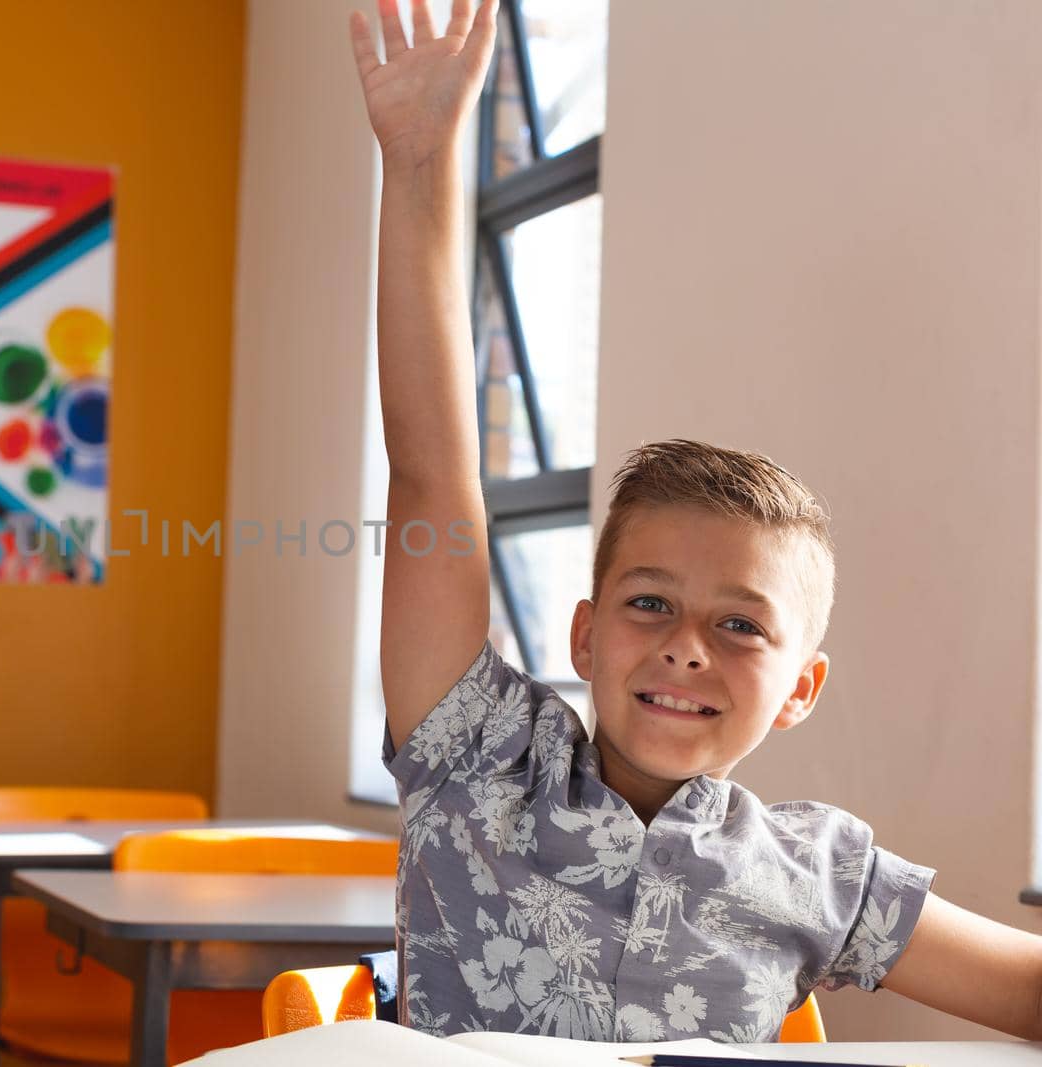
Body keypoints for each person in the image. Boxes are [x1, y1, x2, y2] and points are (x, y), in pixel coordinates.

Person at [348, 0, 1042, 1041]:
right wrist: (419, 162)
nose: (683, 646)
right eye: (649, 601)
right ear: (584, 632)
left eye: (739, 624)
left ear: (800, 685)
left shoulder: (820, 873)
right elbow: (430, 477)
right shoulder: (476, 756)